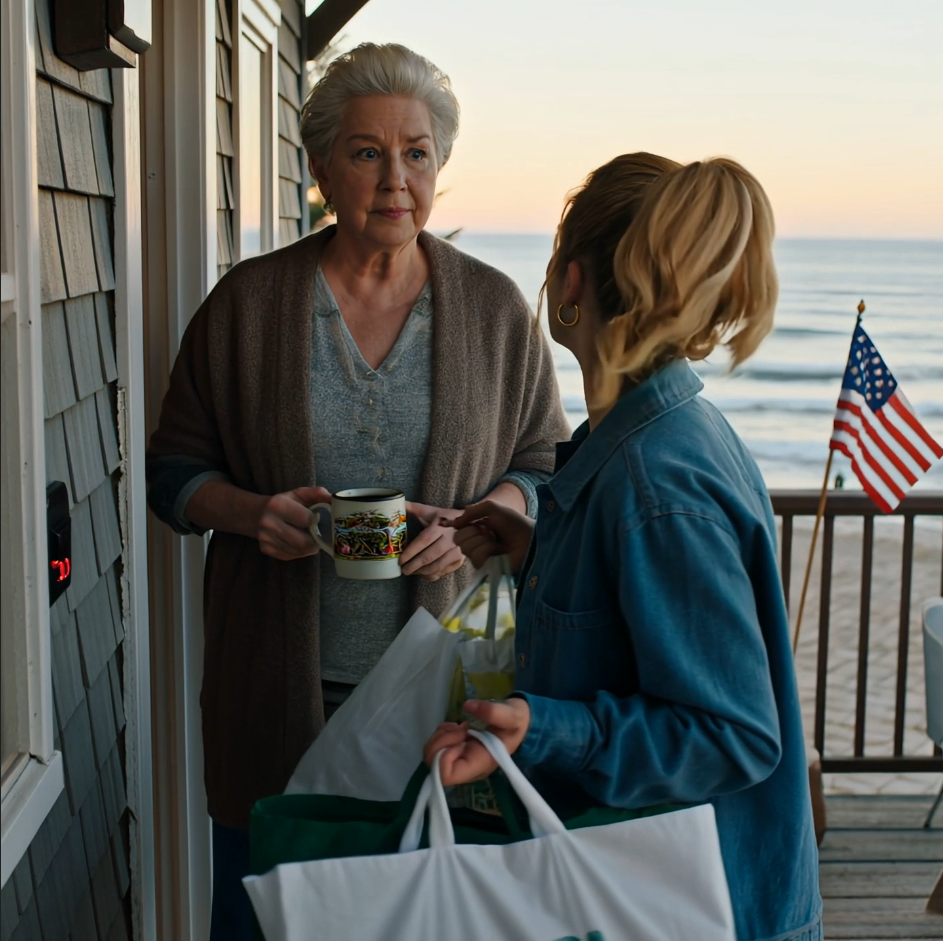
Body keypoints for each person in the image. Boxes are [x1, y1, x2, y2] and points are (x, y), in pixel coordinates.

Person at [146, 43, 569, 939]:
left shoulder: (494, 312)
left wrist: (484, 521)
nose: (395, 179)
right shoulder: (247, 305)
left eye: (416, 152)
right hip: (277, 693)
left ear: (439, 165)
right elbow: (173, 471)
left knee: (428, 919)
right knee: (270, 916)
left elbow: (544, 463)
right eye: (368, 152)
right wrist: (251, 513)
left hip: (442, 701)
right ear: (321, 167)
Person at [425, 153, 823, 941]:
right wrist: (537, 555)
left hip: (704, 913)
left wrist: (538, 726)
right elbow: (636, 633)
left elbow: (733, 733)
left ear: (571, 282)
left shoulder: (656, 481)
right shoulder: (628, 445)